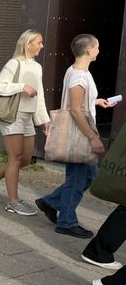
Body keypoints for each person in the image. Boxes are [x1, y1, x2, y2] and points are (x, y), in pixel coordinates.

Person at [35, 34, 113, 238]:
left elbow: (80, 104)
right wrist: (93, 138)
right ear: (89, 50)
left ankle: (50, 202)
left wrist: (96, 101)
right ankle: (66, 222)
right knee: (78, 179)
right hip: (79, 134)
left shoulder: (78, 71)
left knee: (86, 177)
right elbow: (75, 111)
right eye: (97, 47)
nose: (98, 50)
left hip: (81, 131)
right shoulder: (78, 75)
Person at [0, 29, 50, 216]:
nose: (42, 46)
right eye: (39, 42)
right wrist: (22, 86)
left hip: (27, 117)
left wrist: (44, 121)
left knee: (26, 159)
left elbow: (40, 95)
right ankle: (13, 201)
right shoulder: (14, 63)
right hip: (12, 115)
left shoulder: (37, 67)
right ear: (28, 44)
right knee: (15, 158)